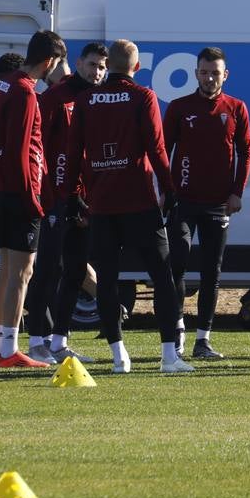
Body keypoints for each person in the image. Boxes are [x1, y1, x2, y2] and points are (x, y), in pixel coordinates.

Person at [64, 39, 192, 374]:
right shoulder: (143, 96)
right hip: (139, 203)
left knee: (106, 279)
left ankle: (120, 357)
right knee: (162, 277)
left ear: (109, 64)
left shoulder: (85, 99)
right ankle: (168, 357)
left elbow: (73, 152)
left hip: (102, 206)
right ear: (136, 67)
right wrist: (171, 190)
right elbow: (157, 148)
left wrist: (71, 196)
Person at [0, 30, 66, 367]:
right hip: (19, 193)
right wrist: (33, 200)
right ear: (50, 62)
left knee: (7, 271)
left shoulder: (3, 84)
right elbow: (19, 152)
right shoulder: (26, 93)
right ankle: (9, 351)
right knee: (22, 272)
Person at [163, 46, 250, 360]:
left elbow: (246, 152)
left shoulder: (237, 108)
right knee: (177, 262)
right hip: (184, 202)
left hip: (218, 204)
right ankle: (176, 329)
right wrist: (166, 190)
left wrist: (237, 192)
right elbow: (163, 152)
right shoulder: (178, 107)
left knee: (211, 273)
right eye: (204, 72)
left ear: (224, 75)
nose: (209, 77)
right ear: (196, 73)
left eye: (215, 72)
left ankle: (204, 340)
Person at [24, 42, 107, 365]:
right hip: (56, 198)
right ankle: (36, 340)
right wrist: (48, 193)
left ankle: (58, 341)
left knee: (74, 271)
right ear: (78, 63)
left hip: (85, 201)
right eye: (91, 65)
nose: (96, 72)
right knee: (46, 268)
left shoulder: (99, 99)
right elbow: (38, 148)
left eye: (102, 66)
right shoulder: (57, 98)